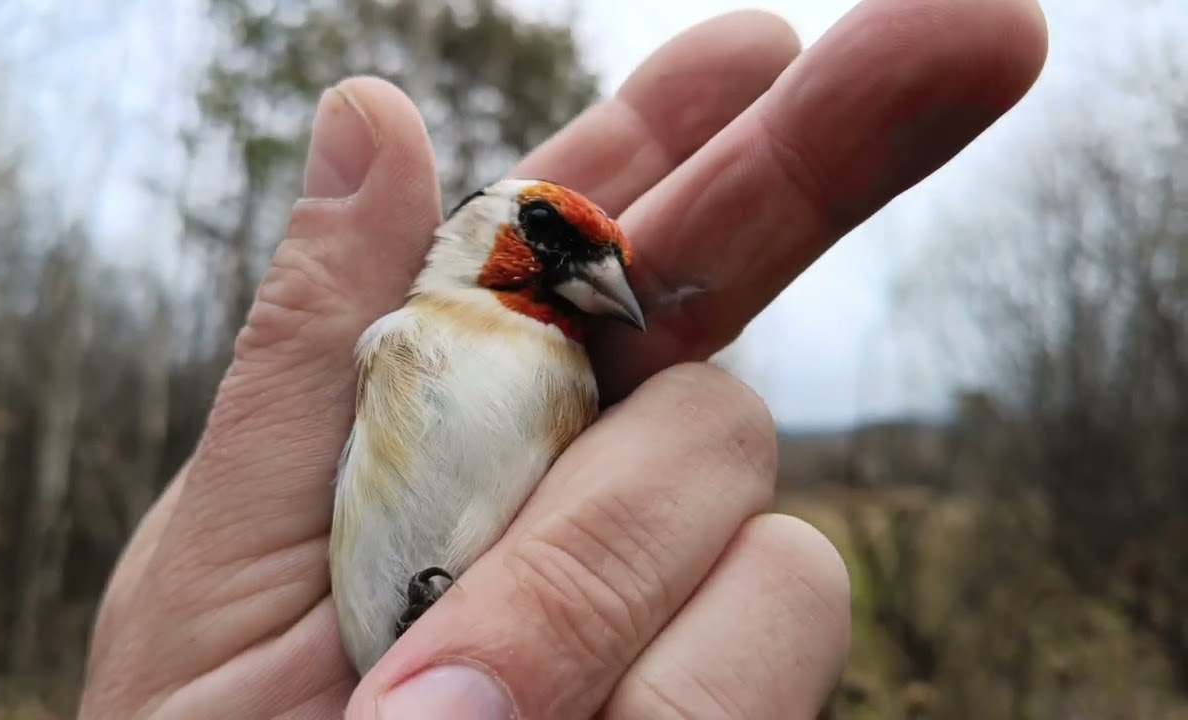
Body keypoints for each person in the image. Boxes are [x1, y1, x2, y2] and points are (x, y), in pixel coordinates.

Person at [77, 3, 1047, 717]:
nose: (588, 276)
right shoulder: (393, 333)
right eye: (549, 235)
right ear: (474, 231)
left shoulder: (583, 380)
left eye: (605, 269)